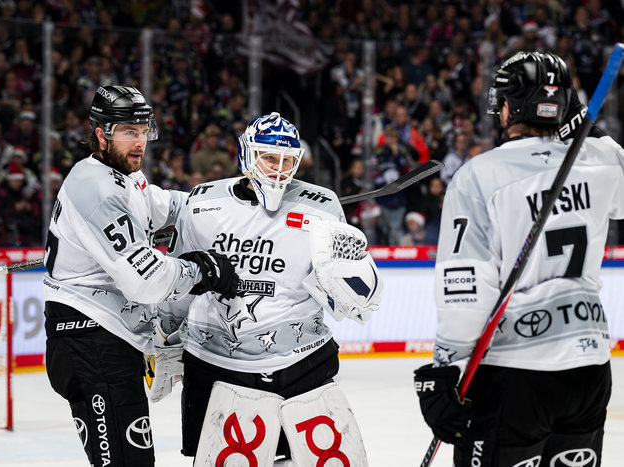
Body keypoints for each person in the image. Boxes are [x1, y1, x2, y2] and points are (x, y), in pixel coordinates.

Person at [414, 51, 624, 466]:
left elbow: (466, 287)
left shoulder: (479, 175)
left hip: (515, 371)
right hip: (589, 367)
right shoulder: (600, 162)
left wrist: (444, 368)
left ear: (508, 107)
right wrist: (588, 128)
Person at [157, 112, 383, 464]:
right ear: (247, 155)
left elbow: (352, 301)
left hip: (301, 365)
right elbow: (182, 278)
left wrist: (353, 277)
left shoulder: (323, 208)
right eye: (269, 158)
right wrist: (164, 339)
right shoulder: (201, 204)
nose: (279, 169)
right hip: (216, 366)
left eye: (287, 160)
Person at [42, 85, 239, 467]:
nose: (139, 142)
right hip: (89, 342)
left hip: (104, 339)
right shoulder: (98, 189)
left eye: (143, 130)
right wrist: (201, 270)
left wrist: (233, 202)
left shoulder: (122, 176)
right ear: (101, 135)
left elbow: (171, 207)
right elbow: (145, 280)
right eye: (128, 131)